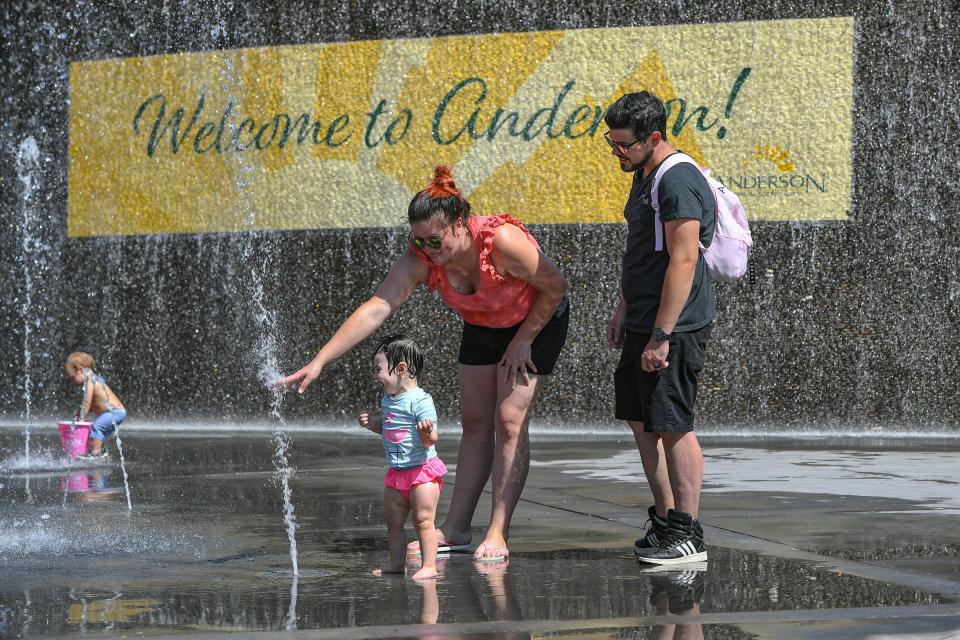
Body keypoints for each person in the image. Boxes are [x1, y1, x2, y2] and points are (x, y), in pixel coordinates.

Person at [276, 166, 569, 562]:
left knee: (509, 419)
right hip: (485, 324)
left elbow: (555, 286)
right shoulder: (423, 257)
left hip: (538, 320)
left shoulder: (500, 241)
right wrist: (320, 360)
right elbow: (378, 306)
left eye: (436, 240)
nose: (429, 251)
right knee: (476, 422)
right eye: (420, 242)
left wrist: (523, 340)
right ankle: (458, 527)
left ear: (461, 224)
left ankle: (498, 531)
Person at [602, 91, 715, 565]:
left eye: (623, 143)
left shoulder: (678, 181)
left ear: (653, 138)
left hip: (676, 325)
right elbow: (643, 251)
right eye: (610, 141)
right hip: (644, 319)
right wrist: (626, 307)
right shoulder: (643, 173)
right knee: (642, 419)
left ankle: (689, 533)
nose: (616, 151)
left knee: (673, 424)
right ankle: (667, 521)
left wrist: (662, 334)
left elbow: (684, 259)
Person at [359, 334, 447, 579]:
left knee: (423, 520)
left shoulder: (421, 400)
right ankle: (397, 564)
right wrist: (373, 424)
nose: (375, 376)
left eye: (379, 370)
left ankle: (429, 565)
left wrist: (427, 433)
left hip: (422, 473)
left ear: (400, 369)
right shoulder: (389, 399)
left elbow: (433, 438)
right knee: (394, 523)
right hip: (397, 474)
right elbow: (389, 427)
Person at [64, 351, 127, 462]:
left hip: (115, 413)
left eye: (72, 378)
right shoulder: (94, 379)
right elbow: (96, 403)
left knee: (97, 427)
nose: (72, 382)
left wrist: (81, 418)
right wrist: (80, 412)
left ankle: (95, 454)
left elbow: (87, 402)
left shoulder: (90, 381)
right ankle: (102, 453)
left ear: (80, 371)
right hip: (115, 412)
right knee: (99, 432)